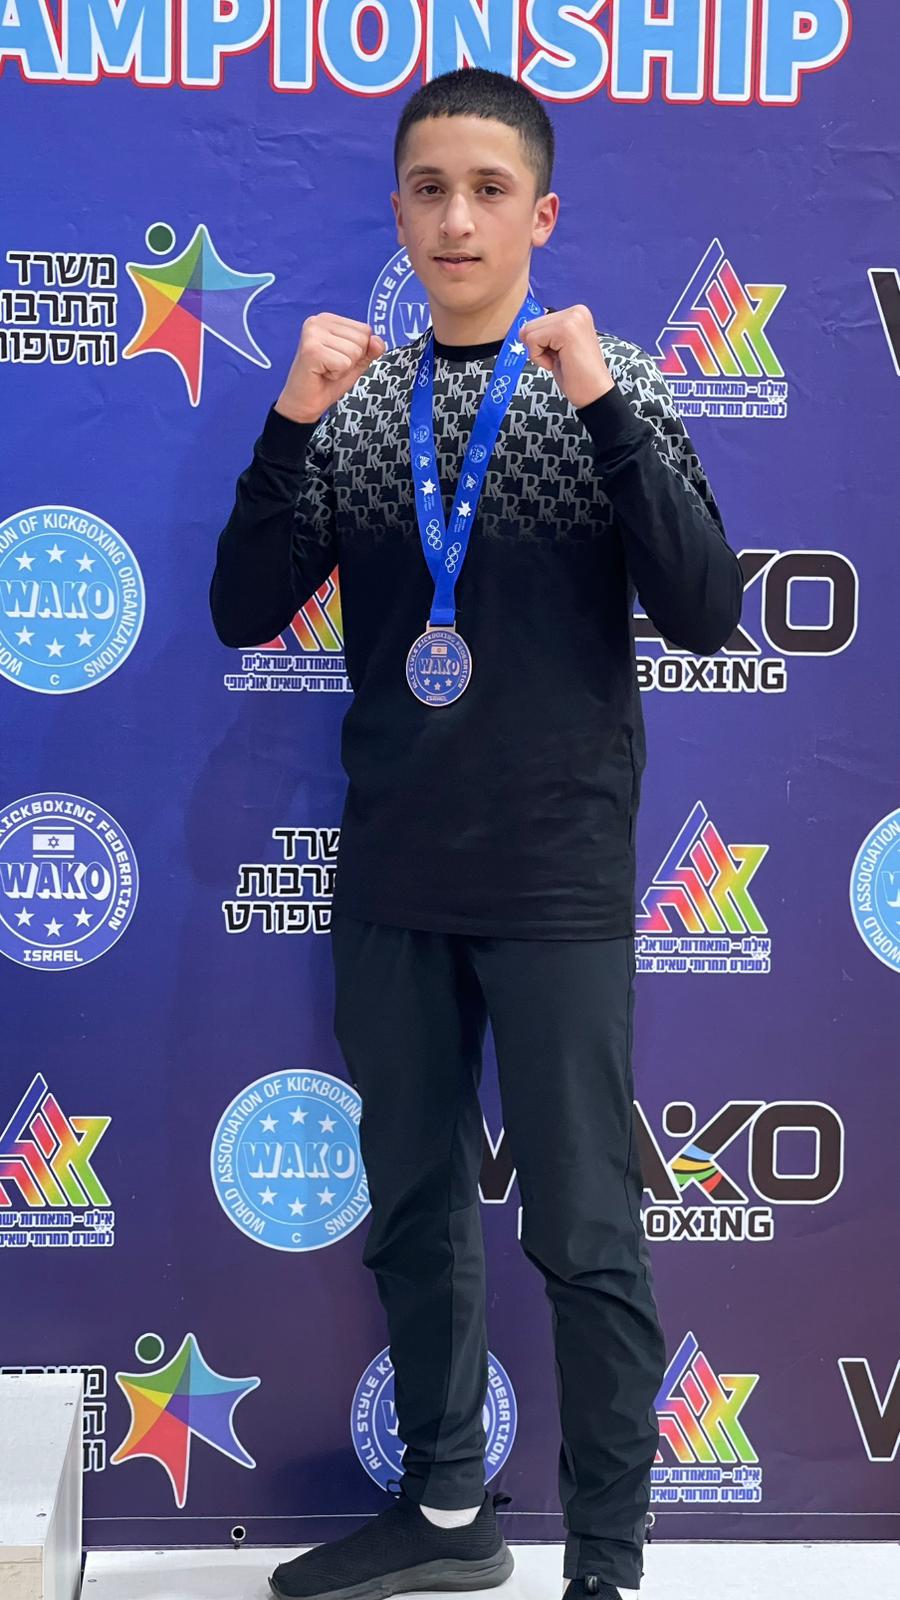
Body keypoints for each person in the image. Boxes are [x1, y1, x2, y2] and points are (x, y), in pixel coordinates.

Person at [210, 65, 743, 1600]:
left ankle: (609, 1563)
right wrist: (288, 421)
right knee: (415, 1210)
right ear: (399, 212)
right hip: (394, 873)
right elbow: (243, 607)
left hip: (555, 876)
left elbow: (707, 610)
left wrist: (605, 407)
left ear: (542, 216)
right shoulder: (359, 403)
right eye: (431, 190)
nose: (458, 218)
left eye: (490, 191)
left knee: (586, 1227)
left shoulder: (611, 385)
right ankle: (448, 1519)